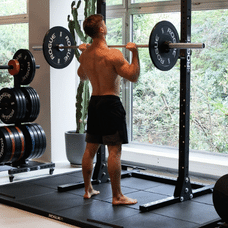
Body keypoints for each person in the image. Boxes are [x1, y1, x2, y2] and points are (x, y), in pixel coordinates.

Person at [77, 14, 140, 205]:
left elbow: (82, 76)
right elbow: (133, 75)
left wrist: (83, 53)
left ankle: (87, 189)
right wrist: (136, 53)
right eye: (104, 23)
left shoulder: (85, 55)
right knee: (114, 151)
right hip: (111, 104)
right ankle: (117, 196)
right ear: (102, 30)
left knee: (90, 149)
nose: (106, 26)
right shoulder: (113, 55)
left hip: (94, 103)